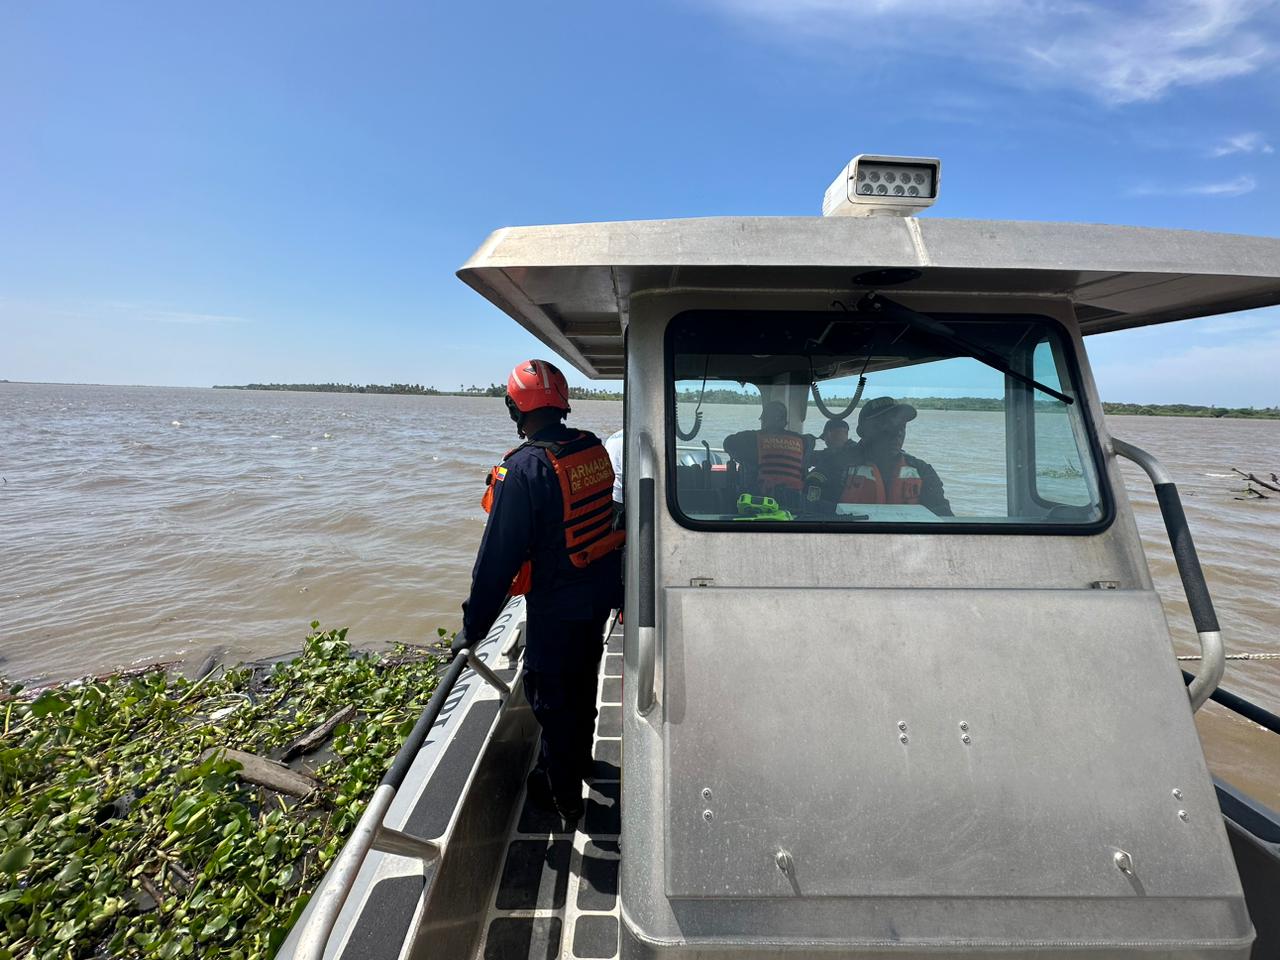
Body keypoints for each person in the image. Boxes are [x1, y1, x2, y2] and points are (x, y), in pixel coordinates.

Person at [457, 359, 624, 820]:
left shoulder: (524, 470)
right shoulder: (591, 447)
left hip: (556, 605)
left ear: (516, 408)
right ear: (562, 404)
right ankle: (581, 760)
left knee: (551, 699)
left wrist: (472, 628)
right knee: (583, 681)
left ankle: (563, 796)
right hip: (596, 597)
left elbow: (496, 562)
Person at [803, 397, 952, 516]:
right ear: (863, 431)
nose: (898, 432)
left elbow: (944, 520)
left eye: (902, 425)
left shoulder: (923, 471)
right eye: (889, 424)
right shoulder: (832, 468)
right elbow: (810, 514)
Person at [722, 399, 814, 503]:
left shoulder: (752, 438)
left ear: (764, 420)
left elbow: (727, 443)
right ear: (785, 422)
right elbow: (810, 444)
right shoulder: (803, 441)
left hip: (760, 502)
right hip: (795, 502)